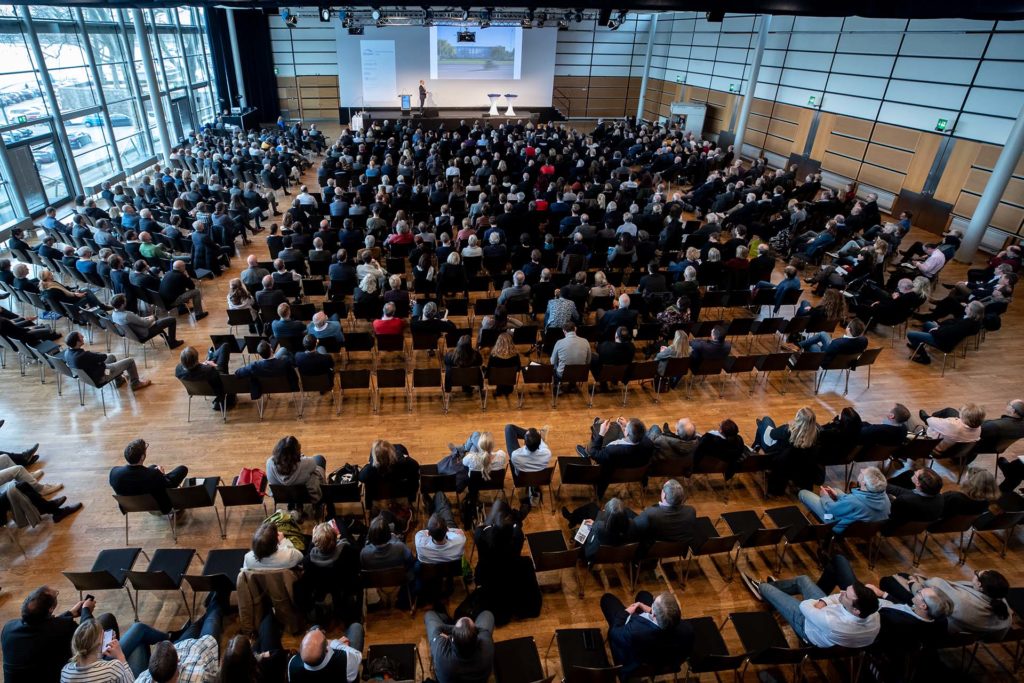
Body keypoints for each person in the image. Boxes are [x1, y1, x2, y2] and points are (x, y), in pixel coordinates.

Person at [741, 565, 881, 648]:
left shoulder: (833, 623)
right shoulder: (874, 613)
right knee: (803, 579)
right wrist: (824, 602)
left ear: (856, 610)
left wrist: (820, 605)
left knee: (766, 587)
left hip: (807, 625)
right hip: (820, 613)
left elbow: (804, 606)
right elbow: (835, 597)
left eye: (846, 595)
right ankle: (776, 592)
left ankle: (764, 591)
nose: (841, 592)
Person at [878, 569, 1011, 639]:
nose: (974, 573)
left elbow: (931, 588)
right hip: (960, 632)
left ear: (980, 586)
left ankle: (891, 600)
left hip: (937, 622)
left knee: (889, 581)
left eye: (976, 573)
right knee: (904, 578)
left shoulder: (961, 600)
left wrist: (914, 583)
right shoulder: (1000, 601)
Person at [2, 586, 94, 683]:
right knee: (106, 619)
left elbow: (44, 626)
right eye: (56, 595)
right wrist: (86, 611)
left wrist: (69, 614)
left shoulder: (8, 628)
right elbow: (89, 636)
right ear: (51, 609)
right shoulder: (64, 628)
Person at [134, 592, 226, 682]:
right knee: (214, 614)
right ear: (178, 660)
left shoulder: (142, 679)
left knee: (197, 624)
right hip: (205, 646)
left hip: (183, 643)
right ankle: (219, 591)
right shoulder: (199, 676)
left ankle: (213, 599)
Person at [601, 591, 693, 678]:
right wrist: (649, 609)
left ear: (653, 615)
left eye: (653, 603)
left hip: (638, 664)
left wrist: (626, 612)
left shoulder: (634, 631)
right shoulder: (688, 629)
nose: (653, 600)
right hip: (665, 661)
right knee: (644, 594)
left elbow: (614, 632)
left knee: (607, 599)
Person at [797, 466, 891, 534]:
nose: (861, 470)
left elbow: (830, 509)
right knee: (837, 491)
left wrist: (825, 496)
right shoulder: (885, 498)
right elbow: (853, 502)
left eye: (863, 473)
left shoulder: (853, 501)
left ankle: (819, 524)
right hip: (863, 526)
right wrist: (837, 496)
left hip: (835, 522)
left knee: (803, 493)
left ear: (863, 483)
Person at [577, 417, 654, 497]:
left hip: (612, 474)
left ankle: (586, 453)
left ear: (627, 433)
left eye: (627, 426)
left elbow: (594, 453)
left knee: (594, 442)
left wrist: (601, 433)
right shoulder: (649, 444)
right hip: (635, 473)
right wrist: (626, 426)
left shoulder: (612, 450)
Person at [109, 438, 187, 515]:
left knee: (153, 466)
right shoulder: (153, 475)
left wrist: (156, 472)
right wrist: (162, 474)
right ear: (142, 457)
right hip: (156, 505)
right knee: (182, 469)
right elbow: (168, 486)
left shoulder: (114, 473)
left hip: (131, 506)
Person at [65, 330, 152, 392]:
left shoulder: (67, 353)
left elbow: (99, 358)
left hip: (90, 376)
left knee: (111, 357)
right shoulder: (83, 355)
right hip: (103, 375)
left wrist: (96, 359)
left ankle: (119, 380)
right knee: (130, 361)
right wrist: (95, 357)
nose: (83, 337)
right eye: (81, 337)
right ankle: (136, 383)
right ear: (77, 342)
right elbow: (102, 357)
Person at [425, 611, 494, 683]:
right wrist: (467, 631)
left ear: (452, 638)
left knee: (429, 615)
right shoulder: (487, 646)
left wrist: (457, 631)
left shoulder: (440, 652)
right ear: (477, 637)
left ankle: (445, 618)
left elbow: (438, 630)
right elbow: (482, 631)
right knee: (488, 614)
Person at [60, 618, 133, 683]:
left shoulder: (66, 671)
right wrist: (120, 656)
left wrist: (100, 653)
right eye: (103, 636)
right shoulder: (113, 667)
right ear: (100, 643)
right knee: (138, 647)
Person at [633, 479, 697, 550]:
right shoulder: (691, 511)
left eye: (663, 488)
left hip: (655, 550)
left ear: (664, 495)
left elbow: (634, 527)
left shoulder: (651, 513)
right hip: (677, 550)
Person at [287, 625, 363, 682]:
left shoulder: (293, 664)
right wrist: (336, 643)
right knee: (356, 627)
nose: (317, 630)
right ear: (327, 649)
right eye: (325, 639)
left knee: (315, 626)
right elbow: (357, 656)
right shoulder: (344, 660)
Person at [265, 435, 326, 504]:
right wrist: (302, 457)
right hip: (307, 498)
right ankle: (324, 496)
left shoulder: (269, 462)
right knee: (319, 458)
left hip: (282, 498)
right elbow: (313, 465)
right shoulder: (307, 463)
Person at [110, 294, 182, 350]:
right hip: (144, 333)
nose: (126, 301)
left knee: (157, 321)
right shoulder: (127, 315)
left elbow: (138, 320)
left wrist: (148, 318)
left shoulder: (114, 314)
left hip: (135, 334)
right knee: (172, 320)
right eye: (125, 301)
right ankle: (172, 343)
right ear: (122, 305)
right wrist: (152, 318)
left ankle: (167, 339)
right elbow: (145, 323)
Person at [917, 402, 985, 455]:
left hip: (938, 450)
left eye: (961, 412)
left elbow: (930, 421)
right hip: (959, 452)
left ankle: (931, 416)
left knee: (929, 419)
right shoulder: (979, 429)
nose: (959, 411)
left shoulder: (952, 425)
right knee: (949, 411)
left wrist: (927, 418)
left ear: (965, 418)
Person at [415, 495, 467, 563]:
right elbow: (459, 532)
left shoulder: (420, 542)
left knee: (436, 511)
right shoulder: (460, 541)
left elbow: (422, 532)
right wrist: (450, 530)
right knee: (444, 507)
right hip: (452, 570)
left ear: (428, 533)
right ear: (447, 529)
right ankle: (437, 498)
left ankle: (431, 508)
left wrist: (434, 527)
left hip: (431, 571)